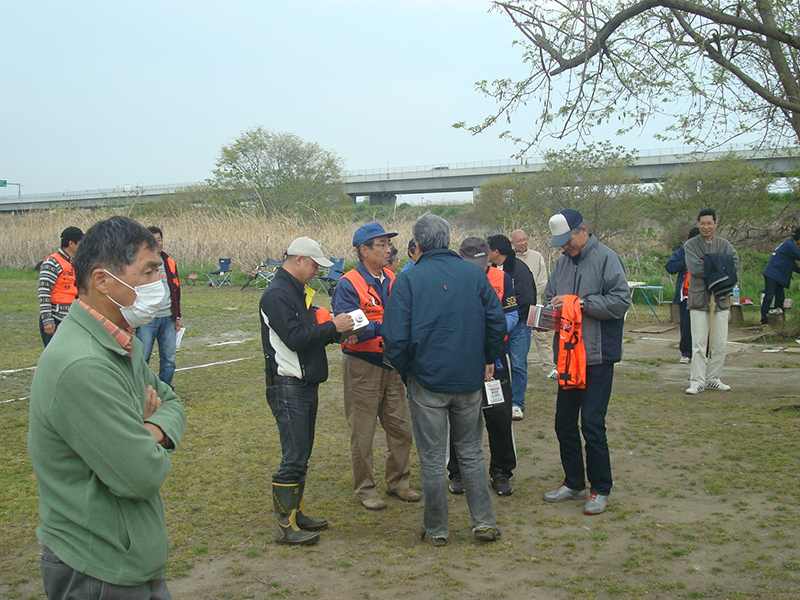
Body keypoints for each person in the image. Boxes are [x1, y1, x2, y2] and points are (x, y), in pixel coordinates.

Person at [28, 216, 186, 599]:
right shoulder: (82, 364)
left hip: (127, 556)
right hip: (98, 567)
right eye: (148, 271)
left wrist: (147, 429)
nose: (159, 282)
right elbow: (141, 473)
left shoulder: (116, 340)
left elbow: (171, 401)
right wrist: (145, 437)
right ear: (102, 280)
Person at [383, 213, 506, 546]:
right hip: (466, 378)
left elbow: (394, 337)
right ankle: (483, 522)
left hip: (428, 379)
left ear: (418, 244)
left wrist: (408, 371)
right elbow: (496, 323)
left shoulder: (409, 279)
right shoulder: (474, 274)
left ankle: (437, 529)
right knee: (471, 453)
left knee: (433, 458)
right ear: (449, 241)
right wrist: (486, 358)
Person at [260, 237, 355, 545]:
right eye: (314, 265)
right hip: (288, 384)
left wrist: (334, 333)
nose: (317, 272)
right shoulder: (277, 294)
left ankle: (296, 515)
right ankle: (285, 526)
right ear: (298, 259)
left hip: (302, 383)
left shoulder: (294, 291)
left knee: (302, 453)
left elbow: (307, 333)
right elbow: (295, 338)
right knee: (294, 456)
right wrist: (334, 327)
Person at [542, 209, 630, 516]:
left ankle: (600, 488)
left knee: (592, 423)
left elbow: (621, 301)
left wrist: (581, 304)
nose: (566, 247)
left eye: (568, 241)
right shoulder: (562, 263)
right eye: (561, 243)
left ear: (583, 230)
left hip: (597, 356)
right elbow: (550, 295)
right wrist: (547, 314)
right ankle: (574, 482)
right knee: (564, 423)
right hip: (568, 357)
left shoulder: (607, 258)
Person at [331, 222, 420, 511]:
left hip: (392, 364)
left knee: (401, 428)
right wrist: (386, 328)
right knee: (363, 432)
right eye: (381, 245)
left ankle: (398, 481)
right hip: (362, 365)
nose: (388, 250)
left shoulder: (394, 279)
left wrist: (377, 327)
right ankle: (365, 488)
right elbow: (350, 327)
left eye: (388, 244)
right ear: (364, 250)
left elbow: (406, 316)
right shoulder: (348, 284)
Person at [447, 237, 518, 497]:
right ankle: (458, 472)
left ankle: (501, 470)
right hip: (464, 358)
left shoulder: (502, 278)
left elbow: (512, 315)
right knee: (460, 416)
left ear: (488, 256)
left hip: (496, 357)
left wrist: (490, 331)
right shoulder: (453, 279)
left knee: (499, 415)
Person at [684, 208, 740, 395]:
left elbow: (734, 265)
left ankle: (714, 379)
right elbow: (696, 268)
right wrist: (720, 265)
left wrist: (709, 262)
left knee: (719, 344)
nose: (706, 227)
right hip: (699, 299)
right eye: (702, 223)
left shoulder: (725, 244)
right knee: (699, 344)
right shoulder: (691, 245)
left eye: (709, 223)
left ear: (716, 224)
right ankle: (697, 382)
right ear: (698, 224)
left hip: (721, 299)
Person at [488, 234, 536, 421]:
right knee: (498, 364)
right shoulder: (491, 270)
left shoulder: (519, 269)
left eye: (488, 249)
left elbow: (526, 299)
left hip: (519, 325)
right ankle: (498, 400)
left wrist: (511, 319)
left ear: (496, 252)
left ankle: (517, 403)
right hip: (497, 327)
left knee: (518, 364)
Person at [136, 226, 182, 388]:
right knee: (142, 358)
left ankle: (166, 390)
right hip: (147, 319)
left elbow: (176, 290)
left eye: (159, 239)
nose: (157, 243)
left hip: (168, 318)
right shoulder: (138, 263)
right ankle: (141, 390)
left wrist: (177, 316)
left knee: (169, 360)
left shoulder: (169, 263)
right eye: (153, 240)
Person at [512, 229, 558, 381]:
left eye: (525, 239)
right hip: (516, 308)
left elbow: (543, 281)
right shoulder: (510, 259)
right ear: (513, 243)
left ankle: (549, 368)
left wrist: (530, 296)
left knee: (541, 337)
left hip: (535, 304)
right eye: (519, 240)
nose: (523, 243)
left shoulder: (536, 257)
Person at [37, 226, 83, 347]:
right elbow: (44, 292)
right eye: (81, 243)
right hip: (55, 319)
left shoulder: (76, 263)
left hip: (72, 318)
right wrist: (47, 320)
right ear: (71, 244)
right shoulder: (52, 262)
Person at [665, 227, 701, 363]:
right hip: (686, 295)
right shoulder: (682, 252)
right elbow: (670, 267)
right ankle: (686, 353)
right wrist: (686, 260)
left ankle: (704, 352)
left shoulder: (708, 251)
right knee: (686, 325)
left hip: (703, 295)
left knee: (703, 326)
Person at [760, 227, 800, 327]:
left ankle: (777, 321)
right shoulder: (789, 245)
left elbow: (794, 266)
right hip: (772, 273)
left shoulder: (789, 245)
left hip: (778, 275)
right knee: (769, 296)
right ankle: (764, 321)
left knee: (780, 298)